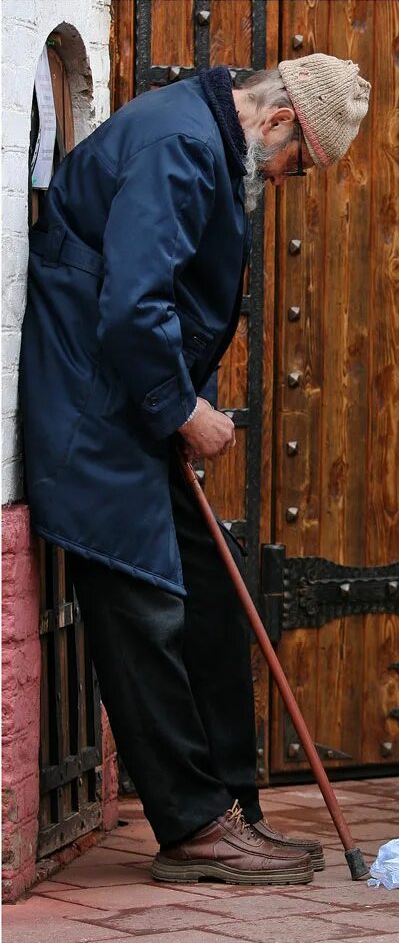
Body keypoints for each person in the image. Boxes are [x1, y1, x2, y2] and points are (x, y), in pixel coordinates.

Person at [20, 54, 370, 885]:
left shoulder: (203, 135)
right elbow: (136, 304)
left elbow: (166, 300)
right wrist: (183, 409)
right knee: (143, 611)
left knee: (209, 596)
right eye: (298, 167)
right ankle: (192, 828)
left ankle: (231, 807)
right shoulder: (181, 142)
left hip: (131, 406)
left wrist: (176, 406)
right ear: (281, 121)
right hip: (95, 411)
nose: (286, 182)